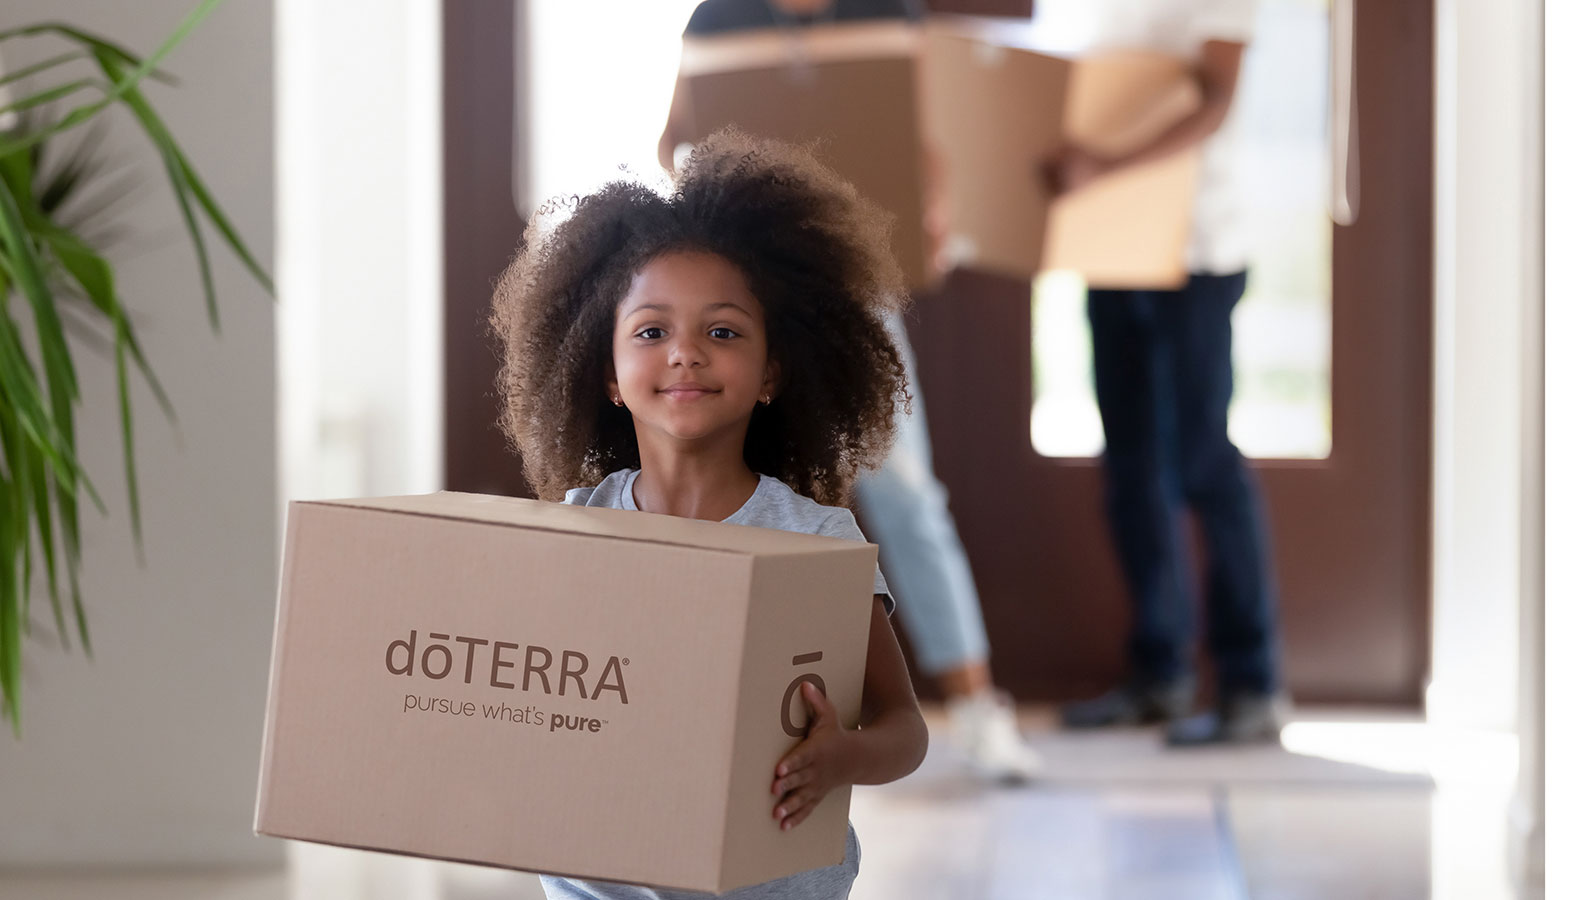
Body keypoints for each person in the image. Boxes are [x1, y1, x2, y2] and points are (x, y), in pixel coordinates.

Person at [490, 130, 929, 900]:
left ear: (771, 375)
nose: (685, 353)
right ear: (610, 376)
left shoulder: (814, 541)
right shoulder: (574, 530)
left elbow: (906, 729)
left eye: (722, 332)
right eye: (652, 331)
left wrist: (842, 757)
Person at [658, 0, 1040, 782]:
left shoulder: (885, 11)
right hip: (749, 286)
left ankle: (976, 708)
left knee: (903, 490)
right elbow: (673, 144)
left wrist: (930, 207)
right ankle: (721, 706)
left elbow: (921, 142)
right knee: (740, 495)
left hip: (854, 290)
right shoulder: (717, 18)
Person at [1041, 0, 1290, 745]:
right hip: (1113, 249)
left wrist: (1106, 165)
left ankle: (1253, 685)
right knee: (1130, 470)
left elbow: (1213, 99)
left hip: (1196, 253)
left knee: (1203, 464)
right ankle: (1160, 676)